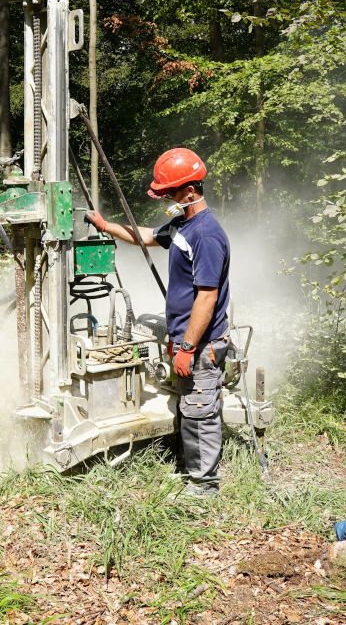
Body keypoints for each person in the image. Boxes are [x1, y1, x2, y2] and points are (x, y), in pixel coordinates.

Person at [86, 148, 231, 498]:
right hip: (186, 340)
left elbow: (207, 298)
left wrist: (187, 348)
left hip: (200, 345)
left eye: (170, 193)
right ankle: (190, 469)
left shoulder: (206, 235)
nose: (166, 200)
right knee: (189, 407)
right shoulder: (183, 223)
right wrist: (107, 225)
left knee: (200, 412)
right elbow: (147, 236)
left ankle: (204, 487)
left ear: (190, 192)